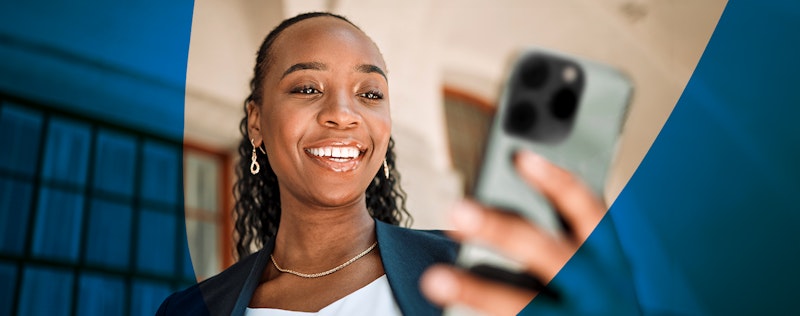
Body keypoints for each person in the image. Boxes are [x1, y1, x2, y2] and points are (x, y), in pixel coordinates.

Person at [158, 11, 637, 316]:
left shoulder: (475, 275)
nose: (344, 115)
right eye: (307, 88)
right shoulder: (187, 311)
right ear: (257, 122)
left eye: (370, 94)